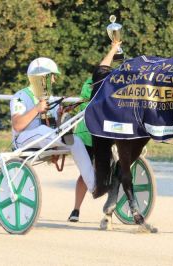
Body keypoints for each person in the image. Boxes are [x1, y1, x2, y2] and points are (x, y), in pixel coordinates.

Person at [9, 57, 96, 197]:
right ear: (42, 78)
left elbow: (55, 125)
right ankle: (62, 137)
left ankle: (94, 186)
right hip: (23, 139)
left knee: (76, 141)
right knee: (43, 131)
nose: (54, 80)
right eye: (52, 76)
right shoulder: (20, 97)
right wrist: (37, 109)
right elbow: (17, 125)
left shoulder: (53, 99)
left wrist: (61, 117)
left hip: (47, 139)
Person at [67, 40, 122, 222]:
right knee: (86, 173)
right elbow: (86, 101)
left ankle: (112, 205)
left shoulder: (118, 83)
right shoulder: (91, 83)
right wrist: (114, 48)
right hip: (87, 135)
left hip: (108, 133)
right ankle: (76, 209)